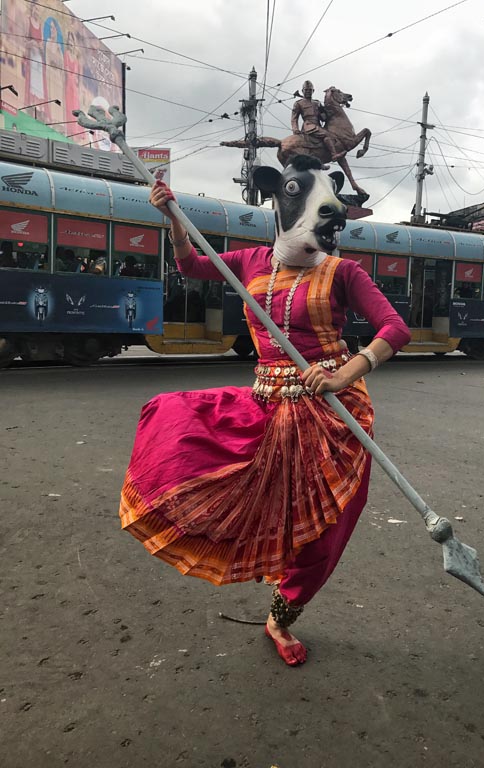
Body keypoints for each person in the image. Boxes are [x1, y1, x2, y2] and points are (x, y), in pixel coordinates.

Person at [119, 156, 411, 667]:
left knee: (323, 534)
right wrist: (172, 218)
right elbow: (190, 266)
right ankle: (278, 571)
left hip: (333, 417)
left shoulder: (344, 272)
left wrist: (344, 375)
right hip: (267, 403)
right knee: (180, 433)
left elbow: (395, 329)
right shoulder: (252, 262)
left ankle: (282, 615)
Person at [291, 81, 344, 162]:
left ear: (313, 91)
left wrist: (323, 114)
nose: (308, 91)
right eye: (306, 90)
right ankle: (334, 155)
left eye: (310, 90)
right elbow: (294, 118)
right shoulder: (299, 103)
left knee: (330, 136)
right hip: (308, 126)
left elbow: (324, 117)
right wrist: (295, 129)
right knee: (328, 135)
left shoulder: (317, 103)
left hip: (318, 125)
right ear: (302, 91)